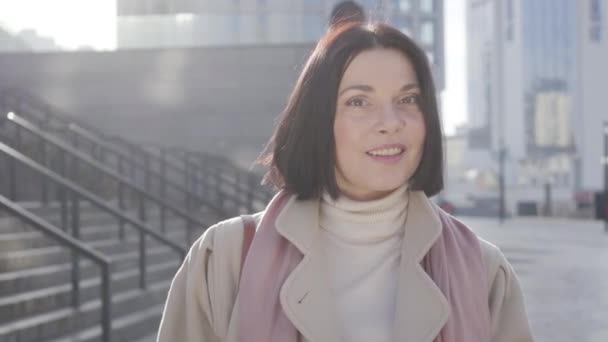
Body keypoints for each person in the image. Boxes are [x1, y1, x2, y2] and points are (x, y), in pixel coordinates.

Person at [157, 22, 534, 342]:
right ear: (318, 119)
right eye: (359, 102)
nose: (391, 121)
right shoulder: (225, 258)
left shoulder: (482, 270)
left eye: (408, 99)